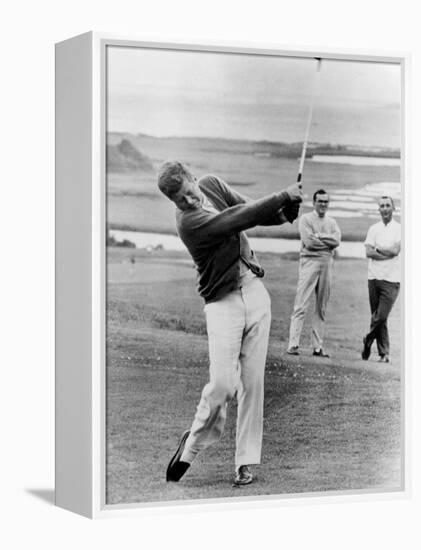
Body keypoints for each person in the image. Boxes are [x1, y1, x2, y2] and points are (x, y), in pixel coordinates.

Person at [157, 161, 302, 486]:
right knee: (222, 385)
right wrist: (282, 195)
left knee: (253, 384)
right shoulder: (190, 223)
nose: (190, 201)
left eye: (190, 192)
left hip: (254, 292)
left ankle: (245, 463)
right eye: (181, 200)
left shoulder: (211, 184)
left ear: (195, 179)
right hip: (223, 304)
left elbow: (246, 207)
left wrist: (282, 214)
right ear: (174, 203)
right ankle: (190, 447)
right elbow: (235, 219)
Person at [287, 189, 341, 357]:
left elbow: (337, 240)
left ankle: (317, 347)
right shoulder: (305, 219)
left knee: (321, 307)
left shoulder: (332, 222)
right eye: (320, 201)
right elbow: (309, 242)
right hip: (309, 262)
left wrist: (320, 236)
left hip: (327, 264)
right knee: (301, 304)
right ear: (314, 202)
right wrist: (327, 243)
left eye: (326, 201)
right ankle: (293, 344)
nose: (323, 204)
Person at [361, 196, 401, 363]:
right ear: (379, 209)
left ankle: (368, 338)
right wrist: (383, 252)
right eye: (382, 206)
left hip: (392, 279)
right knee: (378, 317)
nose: (385, 209)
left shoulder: (399, 228)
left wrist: (379, 250)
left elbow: (395, 251)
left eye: (387, 206)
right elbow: (368, 252)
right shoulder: (373, 229)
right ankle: (384, 354)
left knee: (381, 316)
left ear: (393, 208)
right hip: (373, 278)